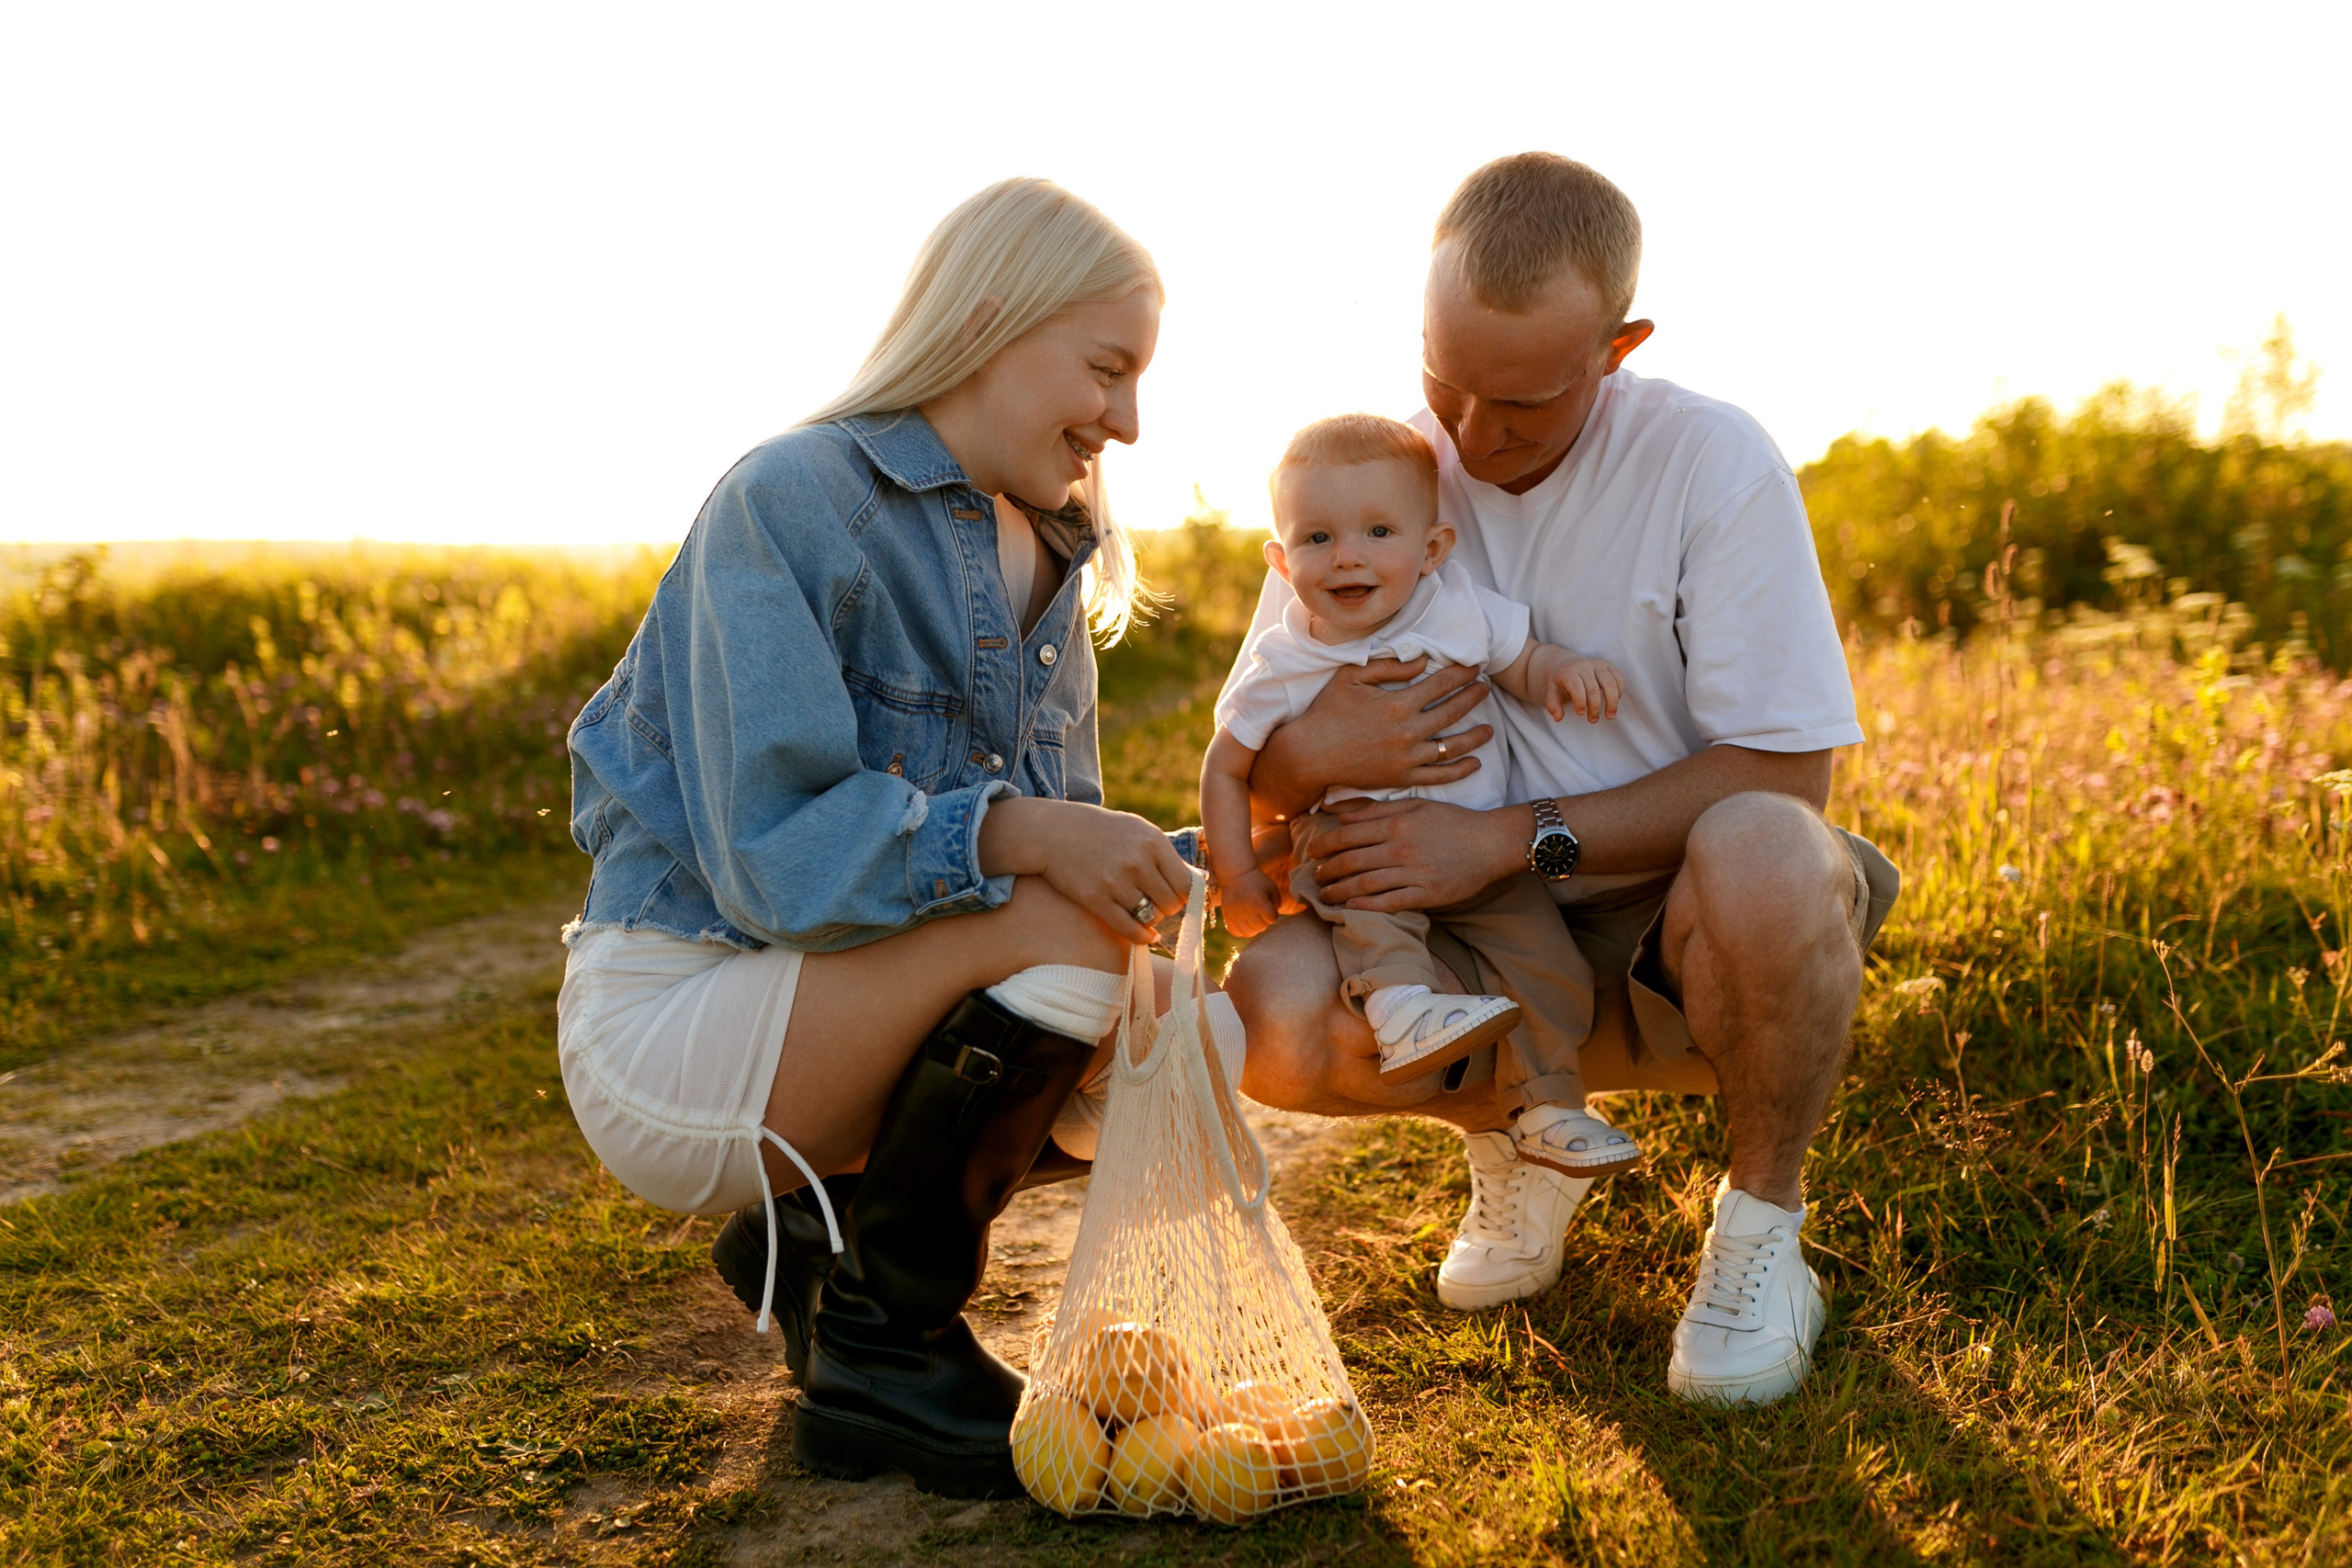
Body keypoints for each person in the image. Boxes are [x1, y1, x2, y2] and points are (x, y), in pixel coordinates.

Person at [556, 177, 1219, 1497]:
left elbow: (1044, 889)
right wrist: (1037, 836)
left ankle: (821, 1238)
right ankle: (884, 1350)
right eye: (1107, 369)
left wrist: (1206, 865)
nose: (1129, 421)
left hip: (832, 1013)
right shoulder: (793, 497)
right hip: (682, 1023)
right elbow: (779, 857)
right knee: (1082, 933)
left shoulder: (1061, 546)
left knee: (1193, 1011)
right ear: (987, 324)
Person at [1223, 153, 1901, 1406]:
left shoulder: (1711, 461)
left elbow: (1785, 772)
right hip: (1463, 936)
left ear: (1617, 348)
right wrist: (1317, 758)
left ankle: (1760, 1229)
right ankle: (1515, 1140)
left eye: (1522, 404)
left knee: (1767, 848)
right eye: (1446, 381)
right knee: (1273, 1003)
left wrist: (1499, 840)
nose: (1471, 437)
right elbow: (1261, 762)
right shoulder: (1377, 476)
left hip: (1674, 922)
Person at [1200, 412, 1643, 1179]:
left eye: (1379, 532)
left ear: (1433, 548)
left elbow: (1522, 659)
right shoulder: (1286, 659)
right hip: (1356, 845)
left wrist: (1562, 672)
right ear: (1280, 560)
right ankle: (1402, 1007)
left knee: (1549, 966)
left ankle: (1548, 1107)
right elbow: (1225, 767)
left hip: (1481, 851)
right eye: (1317, 538)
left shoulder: (1457, 609)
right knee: (1375, 919)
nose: (1348, 556)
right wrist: (1238, 874)